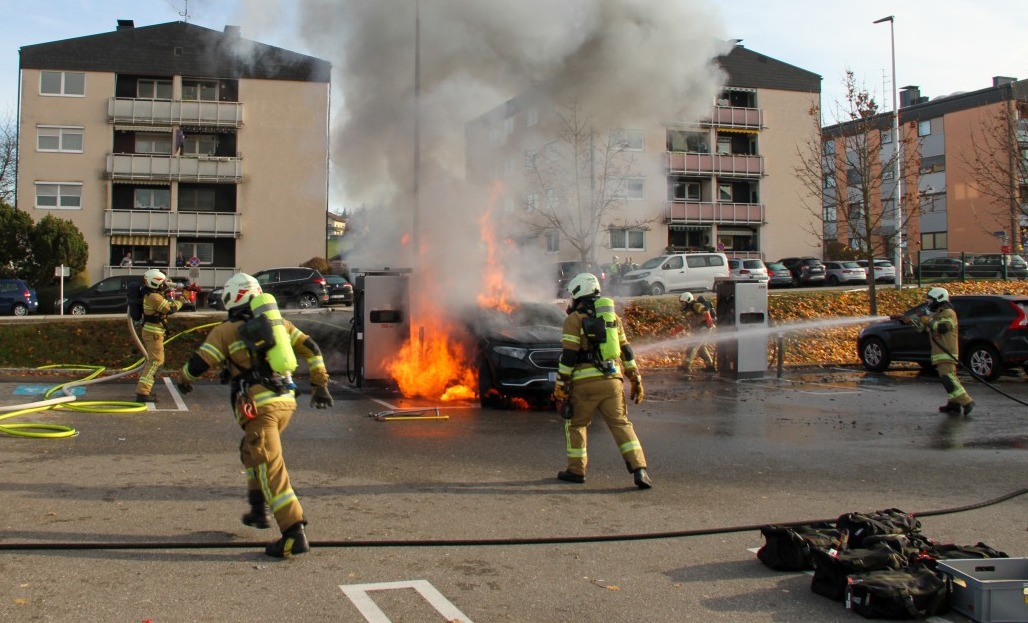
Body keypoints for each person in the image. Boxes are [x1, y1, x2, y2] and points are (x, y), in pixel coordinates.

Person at [175, 273, 334, 558]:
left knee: (269, 465)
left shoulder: (226, 330)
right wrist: (320, 383)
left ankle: (293, 533)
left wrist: (183, 378)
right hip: (285, 401)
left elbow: (199, 363)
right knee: (250, 452)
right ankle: (258, 510)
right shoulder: (280, 324)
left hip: (261, 408)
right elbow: (312, 348)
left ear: (233, 297)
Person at [553, 272, 651, 489]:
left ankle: (576, 471)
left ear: (578, 292)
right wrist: (635, 378)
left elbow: (568, 357)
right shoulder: (613, 318)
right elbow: (626, 350)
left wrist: (561, 384)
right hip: (612, 381)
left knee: (576, 425)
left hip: (585, 384)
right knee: (621, 424)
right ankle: (640, 470)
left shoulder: (574, 320)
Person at [900, 287, 974, 416]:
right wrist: (908, 321)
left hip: (947, 351)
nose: (928, 302)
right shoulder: (936, 314)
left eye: (931, 300)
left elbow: (942, 327)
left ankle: (967, 402)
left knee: (948, 377)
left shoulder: (948, 313)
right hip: (939, 352)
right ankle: (954, 404)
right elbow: (923, 329)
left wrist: (927, 320)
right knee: (947, 377)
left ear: (939, 299)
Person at [133, 269, 184, 403]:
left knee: (156, 361)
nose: (164, 285)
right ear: (155, 283)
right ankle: (142, 392)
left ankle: (144, 389)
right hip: (153, 333)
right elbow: (170, 308)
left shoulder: (151, 294)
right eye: (162, 283)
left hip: (154, 332)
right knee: (155, 362)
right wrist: (183, 299)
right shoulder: (154, 297)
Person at [674, 292, 717, 373]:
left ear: (688, 300)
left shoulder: (695, 305)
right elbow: (685, 323)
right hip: (701, 329)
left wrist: (709, 322)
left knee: (693, 345)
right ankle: (710, 366)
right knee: (701, 348)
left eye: (683, 302)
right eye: (681, 302)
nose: (682, 304)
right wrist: (675, 331)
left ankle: (686, 366)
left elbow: (706, 312)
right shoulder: (688, 310)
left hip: (705, 328)